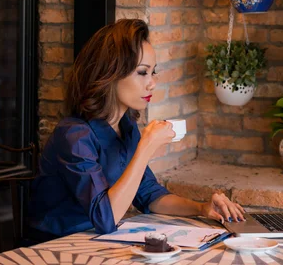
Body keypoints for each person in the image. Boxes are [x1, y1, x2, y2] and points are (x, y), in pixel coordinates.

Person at [28, 19, 245, 239]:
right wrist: (146, 147)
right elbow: (105, 218)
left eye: (153, 72)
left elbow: (149, 194)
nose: (152, 83)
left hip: (99, 241)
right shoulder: (74, 135)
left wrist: (201, 209)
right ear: (109, 74)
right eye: (142, 72)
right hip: (56, 246)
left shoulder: (126, 126)